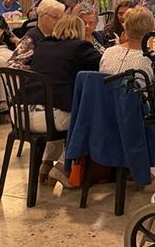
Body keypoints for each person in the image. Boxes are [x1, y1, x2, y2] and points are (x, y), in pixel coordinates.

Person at [26, 15, 101, 187]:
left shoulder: (43, 44)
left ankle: (46, 164)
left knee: (61, 108)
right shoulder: (79, 47)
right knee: (85, 116)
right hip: (48, 117)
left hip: (22, 112)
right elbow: (103, 64)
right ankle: (62, 166)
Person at [99, 7, 155, 83]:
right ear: (150, 30)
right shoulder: (149, 60)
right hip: (133, 94)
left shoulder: (108, 52)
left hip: (105, 93)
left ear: (125, 28)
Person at [7, 0, 65, 69]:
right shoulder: (31, 39)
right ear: (43, 17)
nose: (60, 21)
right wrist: (36, 69)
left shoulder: (60, 36)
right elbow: (12, 65)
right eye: (55, 17)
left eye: (62, 18)